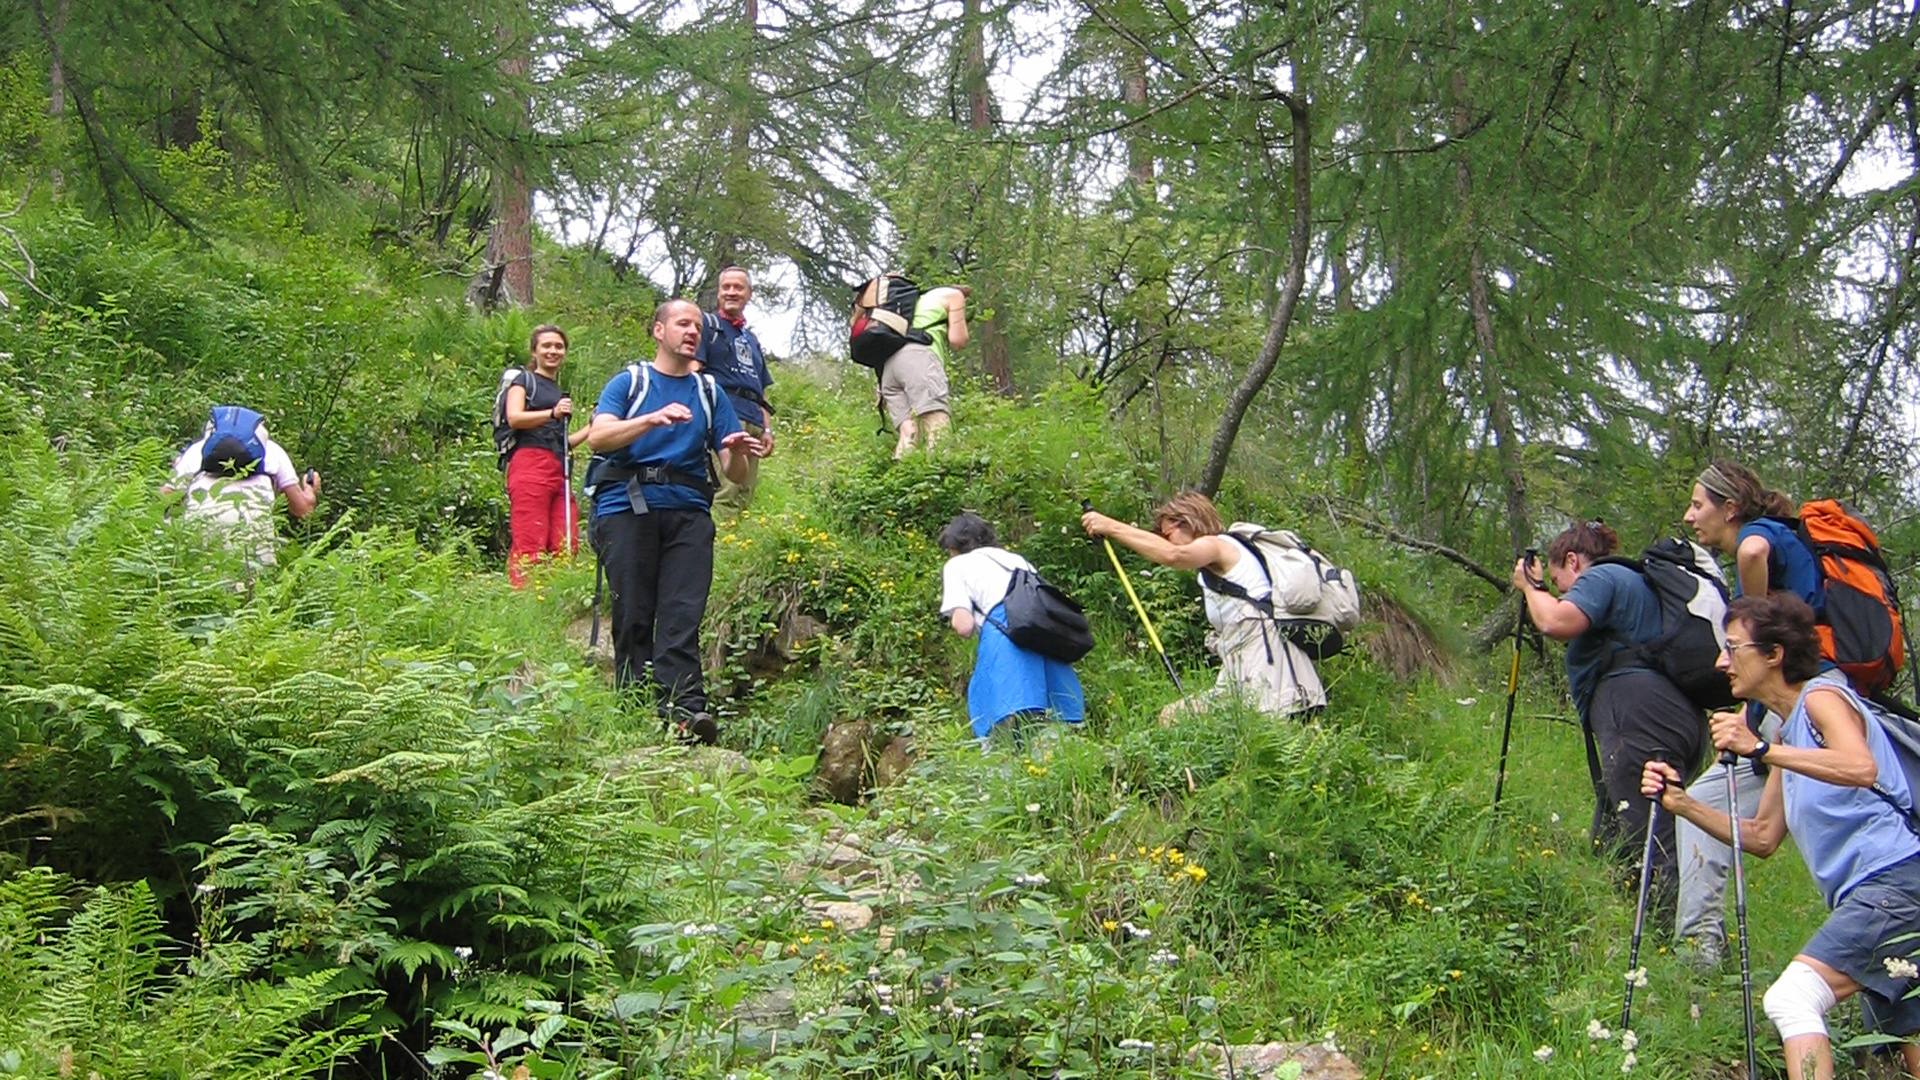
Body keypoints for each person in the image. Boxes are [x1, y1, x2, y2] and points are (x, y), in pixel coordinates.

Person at [1643, 593, 1920, 1080]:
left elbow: (1860, 766)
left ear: (1773, 654)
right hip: (1888, 893)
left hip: (1894, 884)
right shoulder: (1791, 735)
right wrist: (1682, 804)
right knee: (1908, 1040)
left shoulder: (1822, 698)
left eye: (1732, 647)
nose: (1720, 661)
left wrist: (1761, 747)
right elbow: (1763, 836)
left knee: (1792, 998)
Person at [588, 298, 771, 744]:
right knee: (633, 611)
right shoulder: (630, 382)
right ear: (658, 331)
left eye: (698, 327)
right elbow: (598, 435)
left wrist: (743, 449)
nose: (693, 332)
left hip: (689, 511)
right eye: (682, 324)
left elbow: (734, 471)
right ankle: (632, 709)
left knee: (682, 613)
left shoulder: (711, 393)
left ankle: (687, 712)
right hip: (626, 507)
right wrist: (651, 419)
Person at [1675, 460, 1826, 967]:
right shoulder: (1784, 538)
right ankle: (1698, 951)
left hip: (1801, 711)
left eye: (1699, 505)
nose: (1690, 516)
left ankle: (1699, 952)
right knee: (1703, 800)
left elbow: (1754, 549)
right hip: (1775, 714)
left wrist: (1752, 618)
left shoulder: (1759, 537)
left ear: (1730, 508)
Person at [1512, 520, 1706, 909]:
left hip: (1639, 713)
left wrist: (1530, 588)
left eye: (1558, 581)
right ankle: (1626, 925)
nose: (1561, 591)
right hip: (1671, 715)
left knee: (1649, 834)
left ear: (1573, 561)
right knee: (1617, 833)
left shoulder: (1603, 577)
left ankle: (1672, 939)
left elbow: (1554, 622)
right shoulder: (1635, 585)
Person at [1081, 492, 1326, 718]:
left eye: (1167, 535)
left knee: (1177, 717)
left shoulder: (1217, 545)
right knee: (1175, 716)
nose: (1168, 542)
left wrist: (1110, 526)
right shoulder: (1216, 564)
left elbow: (1173, 556)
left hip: (1267, 669)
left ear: (1189, 522)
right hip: (1249, 669)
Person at [937, 512, 1085, 741]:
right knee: (1058, 725)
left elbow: (963, 625)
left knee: (1002, 721)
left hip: (1005, 635)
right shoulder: (1017, 559)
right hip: (1043, 634)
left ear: (955, 545)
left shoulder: (957, 565)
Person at [164, 405, 320, 572]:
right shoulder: (272, 451)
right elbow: (302, 510)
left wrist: (178, 473)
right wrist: (311, 490)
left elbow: (164, 502)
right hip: (254, 538)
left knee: (205, 589)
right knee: (254, 590)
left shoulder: (195, 451)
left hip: (202, 535)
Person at [502, 324, 591, 587]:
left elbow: (563, 443)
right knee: (530, 539)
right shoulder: (523, 381)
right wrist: (551, 413)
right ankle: (525, 603)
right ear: (535, 351)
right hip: (529, 464)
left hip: (558, 467)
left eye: (559, 346)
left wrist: (590, 427)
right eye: (547, 346)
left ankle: (553, 598)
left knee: (565, 540)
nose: (553, 351)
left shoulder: (557, 390)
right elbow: (514, 417)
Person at [692, 267, 775, 518]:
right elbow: (694, 371)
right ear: (718, 293)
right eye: (725, 287)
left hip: (753, 419)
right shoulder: (708, 326)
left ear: (748, 294)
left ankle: (735, 545)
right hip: (725, 415)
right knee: (725, 490)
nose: (731, 292)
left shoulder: (751, 339)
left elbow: (760, 389)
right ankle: (717, 547)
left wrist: (767, 428)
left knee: (745, 493)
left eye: (738, 287)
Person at [852, 275, 953, 460]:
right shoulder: (950, 296)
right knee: (936, 422)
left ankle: (901, 482)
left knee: (908, 432)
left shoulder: (886, 311)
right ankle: (941, 476)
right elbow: (958, 340)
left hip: (887, 371)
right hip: (917, 361)